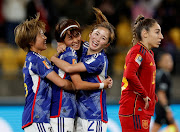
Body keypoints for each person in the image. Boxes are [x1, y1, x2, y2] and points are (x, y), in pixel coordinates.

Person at [50, 7, 115, 132]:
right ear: (90, 34)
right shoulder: (84, 47)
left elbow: (70, 69)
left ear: (106, 44)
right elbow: (74, 41)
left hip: (94, 115)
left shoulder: (99, 59)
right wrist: (62, 43)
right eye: (96, 34)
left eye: (103, 38)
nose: (97, 39)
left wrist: (53, 58)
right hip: (80, 114)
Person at [14, 13, 74, 132]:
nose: (45, 37)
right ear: (31, 41)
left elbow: (48, 67)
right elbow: (61, 83)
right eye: (41, 34)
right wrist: (76, 86)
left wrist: (57, 54)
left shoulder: (34, 58)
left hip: (35, 117)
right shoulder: (37, 59)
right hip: (37, 117)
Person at [118, 14, 164, 132]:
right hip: (134, 108)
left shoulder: (149, 53)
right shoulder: (138, 51)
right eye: (157, 32)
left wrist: (152, 96)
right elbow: (129, 74)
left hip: (142, 109)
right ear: (145, 33)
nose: (161, 36)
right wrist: (144, 94)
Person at [151, 52, 179, 132]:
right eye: (166, 61)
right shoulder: (163, 75)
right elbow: (160, 93)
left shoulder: (161, 74)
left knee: (175, 128)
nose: (169, 63)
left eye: (170, 60)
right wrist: (167, 109)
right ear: (159, 63)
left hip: (161, 108)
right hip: (162, 109)